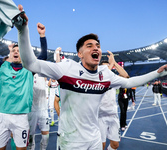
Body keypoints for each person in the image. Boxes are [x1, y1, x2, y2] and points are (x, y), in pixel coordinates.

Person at [14, 6, 167, 149]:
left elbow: (129, 81)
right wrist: (23, 30)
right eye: (89, 45)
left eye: (98, 46)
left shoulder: (105, 74)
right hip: (70, 141)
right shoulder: (67, 68)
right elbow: (30, 63)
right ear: (79, 54)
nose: (96, 48)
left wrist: (158, 73)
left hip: (94, 139)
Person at [0, 21, 47, 150]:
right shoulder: (2, 66)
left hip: (21, 117)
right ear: (10, 54)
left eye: (19, 51)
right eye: (14, 50)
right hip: (2, 116)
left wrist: (42, 36)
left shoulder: (29, 68)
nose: (16, 52)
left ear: (24, 54)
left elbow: (44, 56)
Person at [98, 52, 129, 150]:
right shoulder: (96, 79)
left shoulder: (113, 80)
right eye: (104, 68)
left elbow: (126, 76)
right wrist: (109, 66)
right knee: (101, 146)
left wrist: (114, 63)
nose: (107, 70)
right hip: (100, 116)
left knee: (115, 145)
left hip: (113, 115)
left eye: (108, 67)